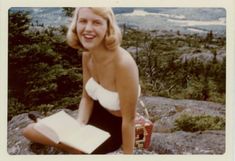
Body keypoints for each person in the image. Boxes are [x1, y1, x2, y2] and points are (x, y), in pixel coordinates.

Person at [22, 7, 140, 154]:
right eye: (83, 21)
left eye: (96, 22)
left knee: (79, 150)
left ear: (108, 27)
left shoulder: (123, 64)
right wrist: (79, 126)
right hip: (91, 116)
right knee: (29, 131)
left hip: (113, 129)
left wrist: (128, 155)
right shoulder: (87, 55)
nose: (88, 28)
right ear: (76, 24)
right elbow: (86, 97)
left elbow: (129, 120)